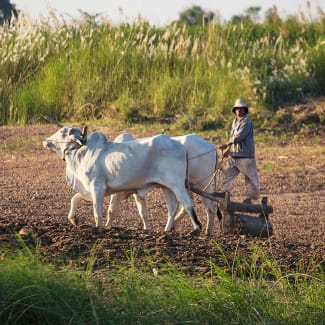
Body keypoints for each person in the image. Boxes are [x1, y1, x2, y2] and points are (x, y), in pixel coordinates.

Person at [219, 98, 259, 203]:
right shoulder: (234, 122)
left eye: (241, 109)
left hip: (245, 156)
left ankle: (251, 200)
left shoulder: (247, 122)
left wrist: (227, 144)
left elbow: (238, 137)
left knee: (250, 179)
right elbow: (233, 136)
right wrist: (228, 150)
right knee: (227, 176)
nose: (239, 111)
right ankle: (223, 194)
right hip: (234, 155)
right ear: (235, 110)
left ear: (245, 110)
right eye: (237, 109)